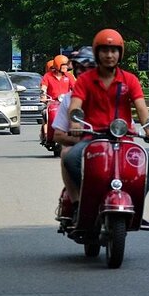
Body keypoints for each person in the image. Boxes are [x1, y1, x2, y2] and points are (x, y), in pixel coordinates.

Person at [63, 29, 149, 222]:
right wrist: (74, 121)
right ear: (97, 52)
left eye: (114, 50)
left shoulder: (130, 79)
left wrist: (148, 129)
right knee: (71, 158)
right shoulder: (85, 80)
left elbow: (141, 106)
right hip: (92, 137)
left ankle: (135, 205)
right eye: (105, 50)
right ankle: (85, 201)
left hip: (123, 138)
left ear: (120, 53)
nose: (109, 55)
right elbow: (75, 105)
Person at [52, 46, 96, 203]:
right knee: (66, 154)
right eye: (79, 68)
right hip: (82, 145)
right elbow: (58, 134)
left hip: (110, 145)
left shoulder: (113, 92)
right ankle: (76, 201)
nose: (82, 72)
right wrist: (82, 140)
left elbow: (128, 125)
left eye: (89, 68)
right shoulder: (70, 97)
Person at [40, 54, 75, 143]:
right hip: (52, 102)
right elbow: (44, 87)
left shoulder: (68, 76)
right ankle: (46, 134)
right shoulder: (48, 76)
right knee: (45, 113)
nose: (66, 67)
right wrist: (43, 95)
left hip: (66, 102)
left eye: (66, 65)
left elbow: (75, 87)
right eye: (63, 66)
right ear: (57, 65)